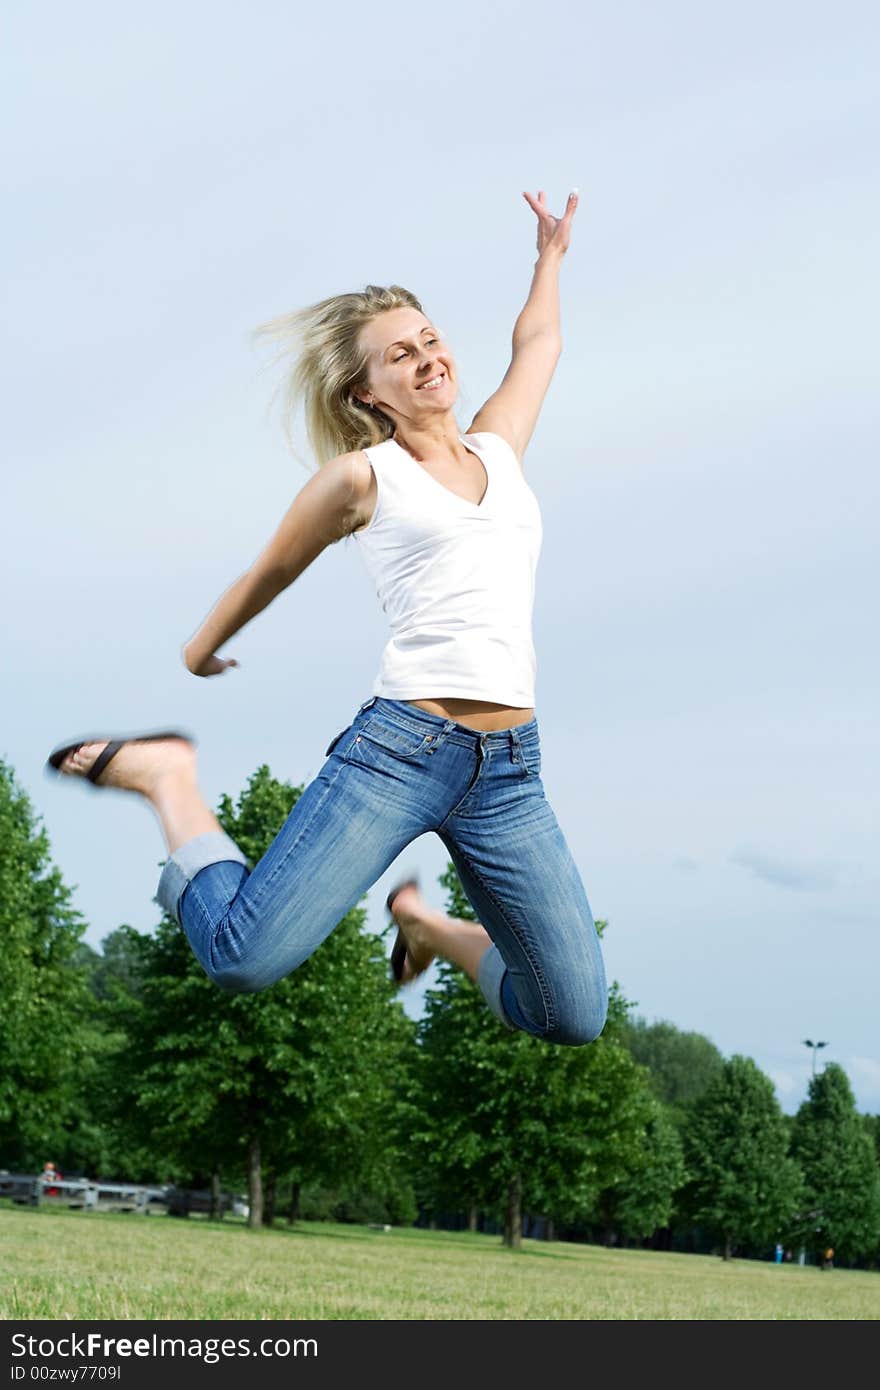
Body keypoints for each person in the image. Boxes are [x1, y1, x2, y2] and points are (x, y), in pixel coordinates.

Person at [47, 189, 608, 1046]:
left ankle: (429, 929)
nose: (426, 359)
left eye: (429, 340)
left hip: (508, 773)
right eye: (399, 355)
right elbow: (271, 568)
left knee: (572, 1015)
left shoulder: (500, 443)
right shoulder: (363, 479)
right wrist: (201, 647)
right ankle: (168, 778)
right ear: (366, 392)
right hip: (400, 754)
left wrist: (550, 258)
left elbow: (539, 343)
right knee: (241, 956)